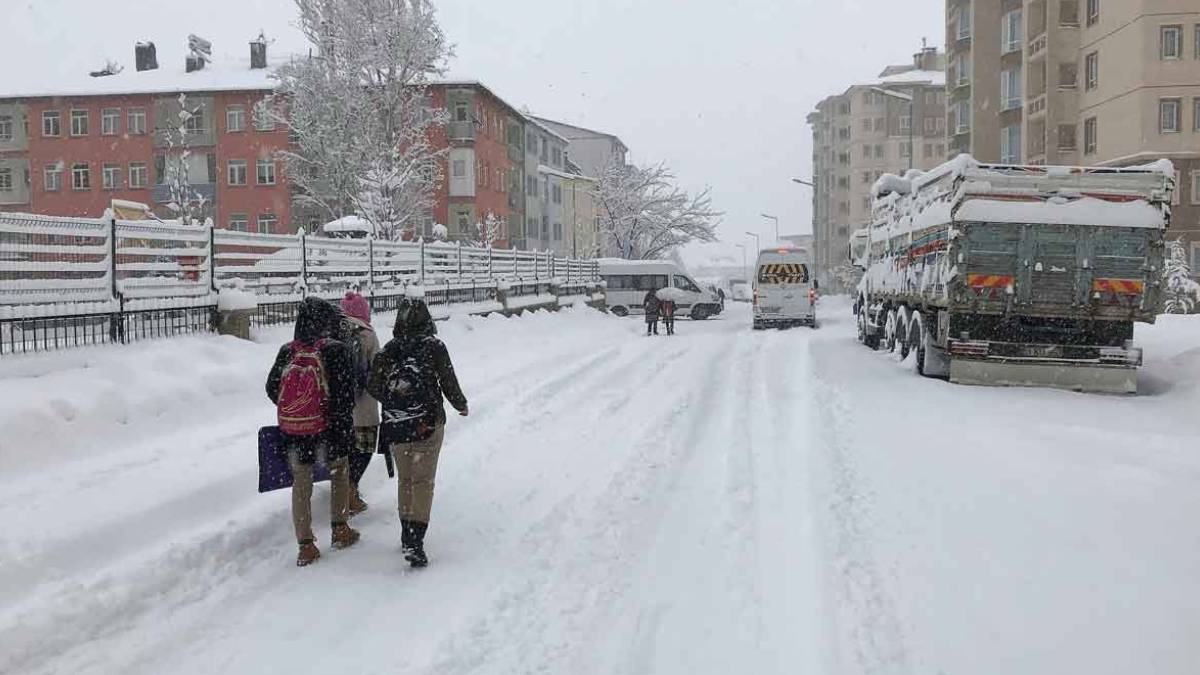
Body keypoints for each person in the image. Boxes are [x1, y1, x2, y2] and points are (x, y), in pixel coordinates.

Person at [367, 297, 469, 568]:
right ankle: (415, 539)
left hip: (396, 424)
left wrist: (394, 399)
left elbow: (372, 384)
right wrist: (460, 404)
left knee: (406, 480)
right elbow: (448, 380)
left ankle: (406, 533)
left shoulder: (389, 350)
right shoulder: (434, 346)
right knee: (422, 481)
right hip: (427, 423)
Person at [266, 297, 361, 567]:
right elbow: (346, 394)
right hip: (331, 428)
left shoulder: (288, 351)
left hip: (295, 431)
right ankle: (340, 528)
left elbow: (272, 388)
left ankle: (305, 545)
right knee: (339, 472)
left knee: (301, 482)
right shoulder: (335, 350)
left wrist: (298, 408)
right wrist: (330, 415)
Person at [340, 292, 381, 517]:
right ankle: (350, 489)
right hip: (363, 406)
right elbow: (378, 369)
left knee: (344, 451)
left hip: (339, 407)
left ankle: (342, 490)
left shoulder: (332, 331)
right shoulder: (367, 334)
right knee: (364, 449)